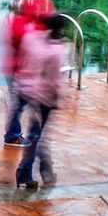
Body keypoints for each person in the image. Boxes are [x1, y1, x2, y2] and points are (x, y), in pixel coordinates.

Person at [14, 12, 71, 190]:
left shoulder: (32, 38)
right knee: (37, 136)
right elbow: (53, 80)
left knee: (36, 135)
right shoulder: (57, 50)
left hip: (26, 90)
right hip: (43, 97)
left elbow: (24, 61)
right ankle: (31, 172)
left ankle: (33, 172)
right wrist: (57, 99)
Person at [2, 0, 55, 146]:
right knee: (19, 104)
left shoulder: (19, 22)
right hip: (19, 71)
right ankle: (12, 136)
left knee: (19, 103)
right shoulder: (27, 26)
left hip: (16, 69)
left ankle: (15, 134)